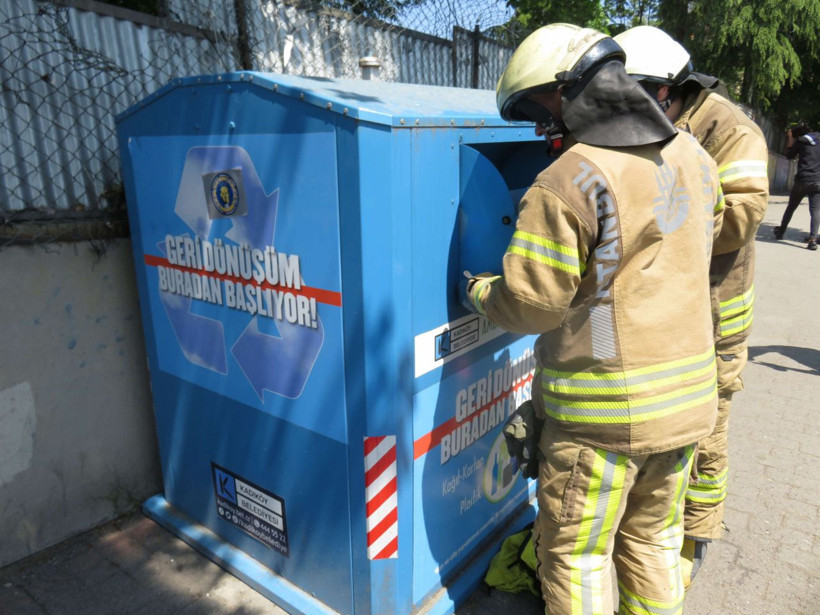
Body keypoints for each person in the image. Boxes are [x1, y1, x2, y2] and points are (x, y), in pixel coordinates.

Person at [462, 23, 723, 614]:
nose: (536, 124)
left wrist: (478, 293)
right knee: (654, 540)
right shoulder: (695, 156)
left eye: (536, 105)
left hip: (603, 420)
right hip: (687, 405)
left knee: (577, 557)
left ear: (567, 91)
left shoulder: (568, 181)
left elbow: (532, 305)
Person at [614, 25, 770, 589]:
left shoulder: (729, 130)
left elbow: (745, 213)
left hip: (714, 311)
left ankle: (694, 535)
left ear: (668, 89)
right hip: (664, 306)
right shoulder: (650, 120)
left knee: (707, 428)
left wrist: (649, 217)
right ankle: (646, 525)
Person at [773, 124, 820, 250]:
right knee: (815, 211)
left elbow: (789, 155)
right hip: (817, 181)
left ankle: (781, 231)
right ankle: (813, 240)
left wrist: (790, 139)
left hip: (802, 180)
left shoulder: (801, 141)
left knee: (791, 207)